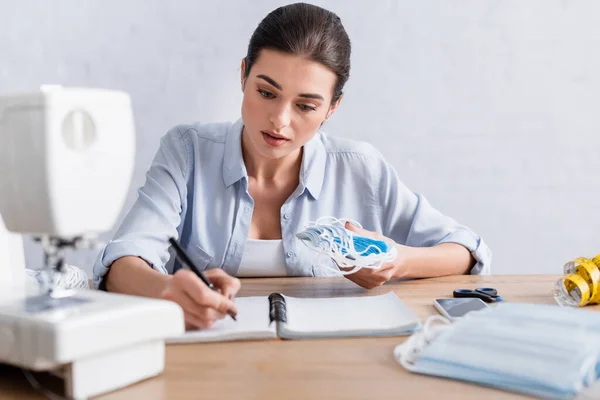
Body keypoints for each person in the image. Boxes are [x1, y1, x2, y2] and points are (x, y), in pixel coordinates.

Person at [93, 3, 491, 330]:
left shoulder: (360, 169)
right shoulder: (187, 152)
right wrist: (166, 289)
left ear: (332, 108)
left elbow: (467, 250)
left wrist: (396, 260)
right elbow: (123, 261)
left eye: (305, 105)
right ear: (243, 75)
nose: (279, 120)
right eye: (266, 92)